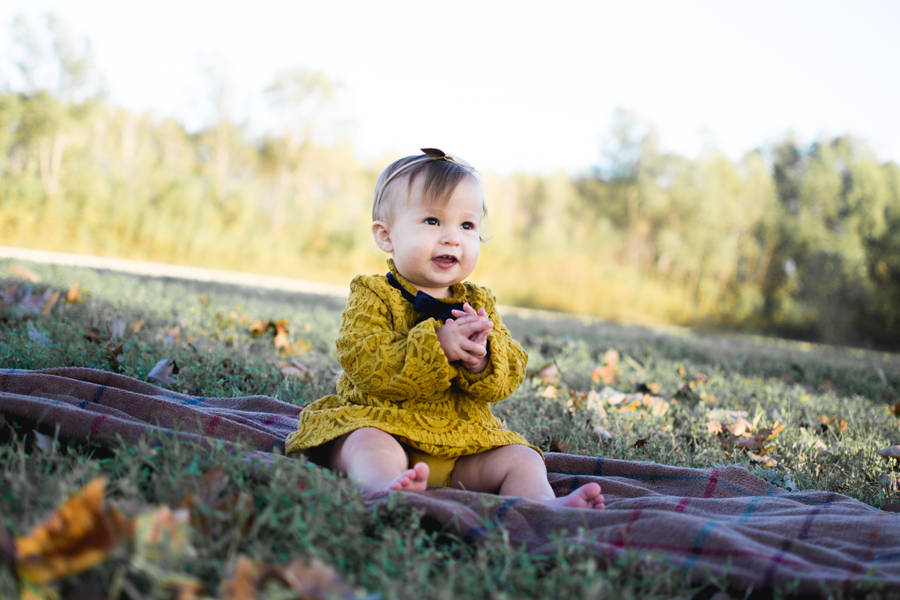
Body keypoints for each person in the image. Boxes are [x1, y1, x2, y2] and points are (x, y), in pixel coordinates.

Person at [285, 148, 604, 510]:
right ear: (386, 236)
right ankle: (385, 490)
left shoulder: (479, 302)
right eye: (433, 221)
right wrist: (436, 346)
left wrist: (483, 360)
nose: (452, 237)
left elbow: (511, 371)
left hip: (461, 444)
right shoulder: (373, 294)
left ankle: (544, 507)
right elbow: (364, 359)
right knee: (364, 444)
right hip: (384, 424)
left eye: (466, 226)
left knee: (522, 458)